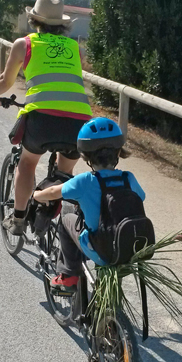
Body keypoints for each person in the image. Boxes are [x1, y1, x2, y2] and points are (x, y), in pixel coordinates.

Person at [0, 0, 92, 236]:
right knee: (64, 172)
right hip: (80, 120)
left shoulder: (25, 44)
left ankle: (19, 219)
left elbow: (6, 80)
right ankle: (48, 211)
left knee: (27, 163)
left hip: (43, 117)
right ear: (62, 23)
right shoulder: (75, 48)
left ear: (34, 19)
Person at [33, 117, 146, 290]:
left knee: (66, 219)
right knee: (112, 230)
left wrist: (37, 195)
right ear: (118, 152)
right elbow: (141, 197)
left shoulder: (85, 181)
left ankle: (69, 273)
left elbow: (54, 192)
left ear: (85, 155)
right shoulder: (128, 178)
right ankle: (108, 288)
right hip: (128, 248)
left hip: (98, 248)